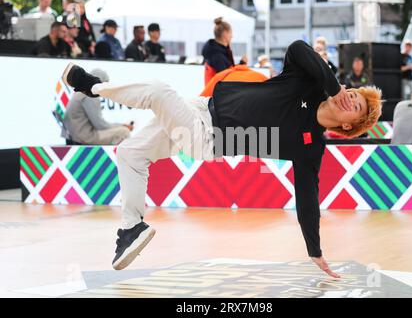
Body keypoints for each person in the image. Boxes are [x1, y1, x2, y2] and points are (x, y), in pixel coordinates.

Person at [62, 40, 382, 276]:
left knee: (158, 91)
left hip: (206, 138)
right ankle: (131, 228)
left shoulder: (311, 148)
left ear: (348, 125)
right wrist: (331, 81)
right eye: (355, 94)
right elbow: (299, 49)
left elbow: (308, 197)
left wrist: (315, 251)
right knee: (130, 153)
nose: (351, 98)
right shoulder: (308, 84)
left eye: (357, 107)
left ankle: (92, 87)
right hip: (202, 108)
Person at [64, 68, 132, 145]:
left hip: (73, 136)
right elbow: (100, 125)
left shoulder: (81, 91)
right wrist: (122, 125)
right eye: (105, 83)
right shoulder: (90, 95)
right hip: (83, 138)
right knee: (124, 132)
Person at [201, 17, 247, 85]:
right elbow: (227, 78)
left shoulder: (217, 51)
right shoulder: (217, 56)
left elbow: (228, 71)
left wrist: (241, 63)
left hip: (217, 91)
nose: (232, 36)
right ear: (225, 34)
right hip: (217, 93)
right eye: (230, 33)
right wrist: (242, 65)